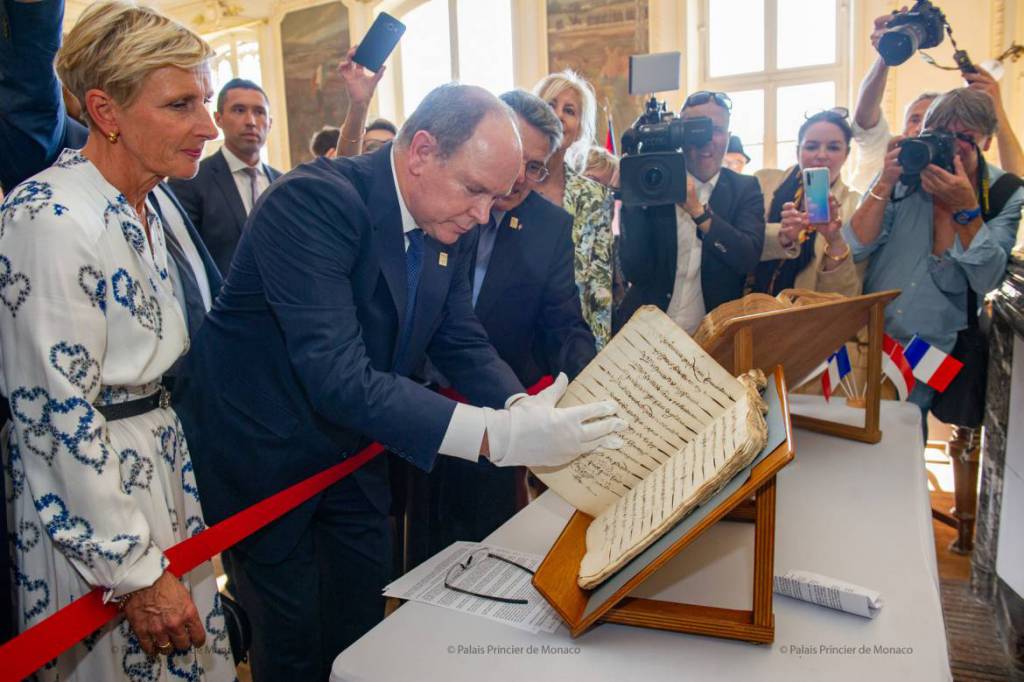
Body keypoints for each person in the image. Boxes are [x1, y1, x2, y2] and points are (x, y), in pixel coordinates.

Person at [172, 83, 625, 680]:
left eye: (495, 196)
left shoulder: (450, 215)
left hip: (352, 460)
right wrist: (501, 436)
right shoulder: (314, 202)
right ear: (421, 152)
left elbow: (456, 333)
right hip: (267, 463)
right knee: (294, 647)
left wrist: (521, 404)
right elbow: (338, 375)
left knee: (363, 634)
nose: (485, 213)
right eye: (475, 190)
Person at [0, 3, 236, 679]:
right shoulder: (47, 216)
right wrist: (132, 572)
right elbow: (53, 415)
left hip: (162, 473)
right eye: (181, 104)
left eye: (207, 101)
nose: (209, 127)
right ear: (106, 110)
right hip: (90, 506)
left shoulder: (153, 203)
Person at [424, 89, 598, 556]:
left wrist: (602, 378)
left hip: (499, 412)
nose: (520, 177)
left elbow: (564, 324)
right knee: (408, 555)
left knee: (486, 554)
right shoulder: (437, 200)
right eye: (517, 156)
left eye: (537, 166)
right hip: (412, 406)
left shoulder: (549, 227)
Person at [845, 87, 1023, 430]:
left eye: (964, 137)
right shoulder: (905, 173)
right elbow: (855, 246)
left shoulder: (1005, 193)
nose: (951, 146)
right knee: (847, 423)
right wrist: (885, 180)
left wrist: (965, 209)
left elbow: (988, 281)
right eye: (941, 135)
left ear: (986, 141)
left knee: (907, 427)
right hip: (870, 330)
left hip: (933, 344)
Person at [617, 91, 766, 333]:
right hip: (648, 331)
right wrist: (634, 193)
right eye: (697, 128)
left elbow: (746, 258)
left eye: (716, 129)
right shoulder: (655, 182)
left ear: (728, 137)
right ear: (678, 134)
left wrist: (699, 213)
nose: (707, 139)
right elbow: (635, 269)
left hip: (713, 335)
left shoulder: (744, 189)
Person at [848, 9, 1024, 193]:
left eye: (934, 125)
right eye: (915, 119)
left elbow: (1015, 182)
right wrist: (887, 55)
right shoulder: (887, 157)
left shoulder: (965, 172)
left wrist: (997, 111)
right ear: (902, 128)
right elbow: (865, 118)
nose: (922, 128)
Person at [533, 70, 614, 348]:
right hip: (509, 336)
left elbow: (599, 286)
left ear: (579, 127)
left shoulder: (594, 196)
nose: (558, 116)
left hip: (567, 338)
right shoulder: (508, 185)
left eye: (569, 110)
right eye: (550, 105)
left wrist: (598, 359)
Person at [168, 78, 282, 275]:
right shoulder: (190, 181)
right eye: (239, 110)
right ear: (218, 118)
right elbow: (186, 264)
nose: (251, 121)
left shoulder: (283, 184)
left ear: (270, 123)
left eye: (259, 112)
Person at [752, 108, 861, 296]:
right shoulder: (763, 183)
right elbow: (739, 245)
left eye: (833, 147)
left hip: (808, 316)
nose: (821, 155)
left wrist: (834, 240)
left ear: (846, 154)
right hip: (751, 305)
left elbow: (845, 294)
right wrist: (782, 236)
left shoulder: (855, 206)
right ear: (797, 151)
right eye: (811, 146)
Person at [334, 44, 397, 157]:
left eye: (390, 148)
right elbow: (347, 163)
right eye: (372, 147)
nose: (380, 154)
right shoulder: (356, 171)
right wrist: (359, 105)